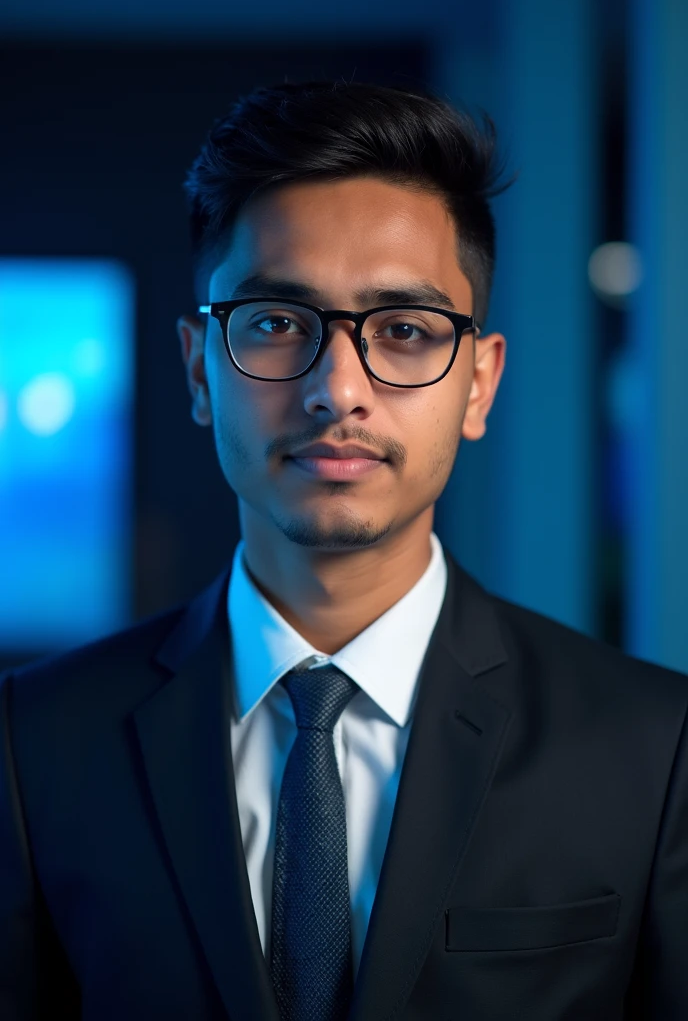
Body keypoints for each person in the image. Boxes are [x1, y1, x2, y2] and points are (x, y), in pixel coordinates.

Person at [1, 79, 687, 1021]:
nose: (338, 389)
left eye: (404, 331)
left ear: (478, 385)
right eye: (278, 324)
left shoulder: (653, 750)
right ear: (202, 370)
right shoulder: (31, 745)